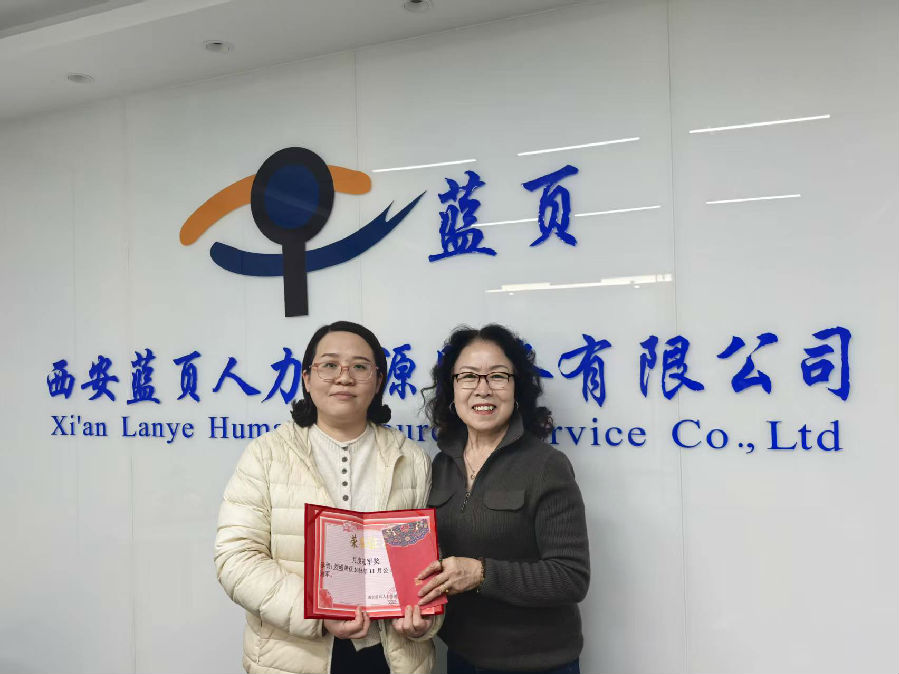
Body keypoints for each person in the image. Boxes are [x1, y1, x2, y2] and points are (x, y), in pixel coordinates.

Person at [215, 321, 439, 674]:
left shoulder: (411, 458)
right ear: (306, 378)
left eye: (360, 367)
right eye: (330, 365)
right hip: (292, 655)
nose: (344, 377)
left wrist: (426, 618)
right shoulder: (267, 454)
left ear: (378, 380)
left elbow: (432, 560)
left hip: (391, 655)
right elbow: (236, 558)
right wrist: (317, 613)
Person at [417, 324, 590, 674]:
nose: (482, 388)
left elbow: (571, 577)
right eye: (468, 376)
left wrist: (480, 573)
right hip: (462, 656)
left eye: (497, 376)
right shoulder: (439, 465)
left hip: (538, 662)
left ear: (517, 388)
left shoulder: (546, 465)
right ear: (451, 388)